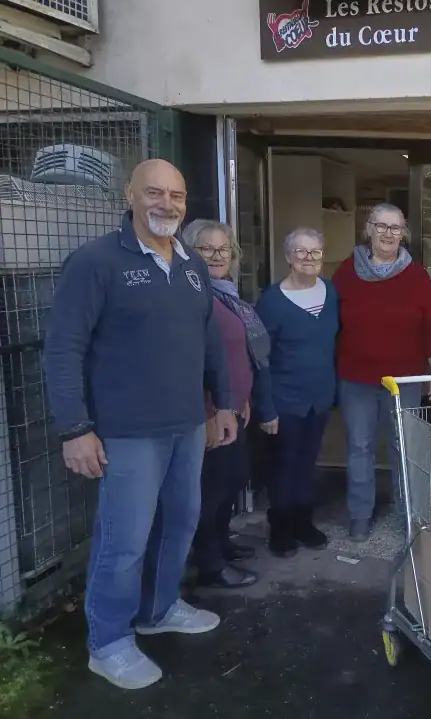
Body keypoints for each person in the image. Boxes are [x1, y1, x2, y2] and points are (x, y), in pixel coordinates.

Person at [42, 159, 237, 690]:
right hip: (125, 432)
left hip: (186, 425)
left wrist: (223, 402)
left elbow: (210, 341)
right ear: (130, 194)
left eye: (177, 194)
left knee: (179, 524)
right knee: (122, 541)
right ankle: (108, 642)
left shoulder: (193, 264)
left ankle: (158, 608)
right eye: (154, 192)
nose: (167, 204)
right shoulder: (96, 261)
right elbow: (63, 350)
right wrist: (74, 428)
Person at [333, 204, 431, 543]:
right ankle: (360, 515)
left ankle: (408, 514)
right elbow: (330, 321)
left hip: (404, 380)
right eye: (381, 226)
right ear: (369, 228)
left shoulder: (416, 275)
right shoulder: (347, 272)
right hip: (357, 377)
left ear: (403, 233)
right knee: (359, 447)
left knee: (406, 448)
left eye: (395, 228)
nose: (388, 233)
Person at [183, 220, 270, 589]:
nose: (218, 256)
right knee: (212, 488)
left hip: (233, 406)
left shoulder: (226, 294)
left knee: (232, 478)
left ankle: (221, 543)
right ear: (189, 252)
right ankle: (210, 565)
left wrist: (243, 397)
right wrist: (210, 410)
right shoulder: (192, 297)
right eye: (207, 249)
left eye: (224, 249)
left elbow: (239, 354)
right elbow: (191, 361)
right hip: (209, 411)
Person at [254, 228, 339, 558]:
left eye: (315, 252)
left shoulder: (331, 294)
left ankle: (304, 522)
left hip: (319, 398)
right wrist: (266, 408)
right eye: (301, 252)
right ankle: (281, 527)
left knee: (307, 463)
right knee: (283, 465)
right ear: (288, 257)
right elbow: (260, 359)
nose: (309, 258)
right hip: (284, 400)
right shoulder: (272, 301)